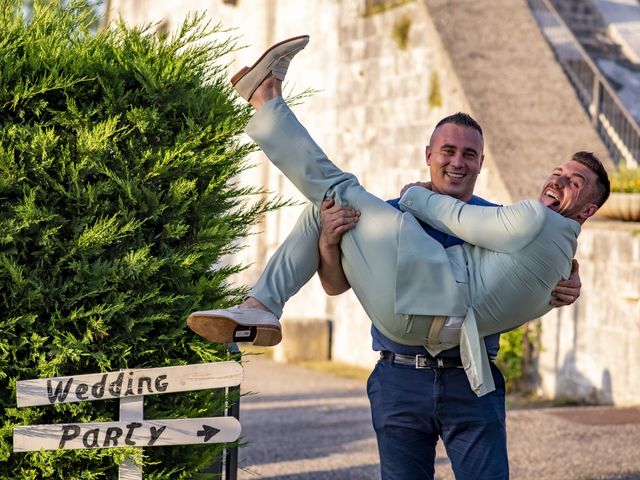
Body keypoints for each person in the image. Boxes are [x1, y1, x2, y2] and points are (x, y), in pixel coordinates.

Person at [187, 36, 609, 476]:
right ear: (429, 156)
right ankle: (260, 305)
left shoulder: (497, 219)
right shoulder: (388, 217)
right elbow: (336, 285)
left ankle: (262, 302)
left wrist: (563, 286)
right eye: (448, 151)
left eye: (469, 154)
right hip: (400, 374)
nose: (457, 162)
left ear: (481, 164)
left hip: (469, 376)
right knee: (327, 211)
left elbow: (527, 275)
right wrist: (329, 245)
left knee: (334, 193)